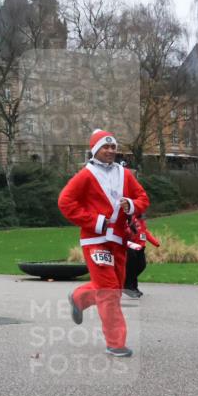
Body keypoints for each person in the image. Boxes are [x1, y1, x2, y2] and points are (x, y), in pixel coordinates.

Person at [58, 129, 149, 358]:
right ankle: (116, 343)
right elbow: (65, 202)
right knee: (109, 291)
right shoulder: (85, 176)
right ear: (95, 150)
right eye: (105, 147)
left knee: (114, 288)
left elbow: (143, 199)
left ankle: (80, 297)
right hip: (95, 240)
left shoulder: (125, 174)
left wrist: (131, 204)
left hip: (118, 241)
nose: (110, 151)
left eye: (112, 147)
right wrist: (95, 221)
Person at [123, 213, 160, 298]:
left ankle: (133, 286)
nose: (144, 216)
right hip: (132, 246)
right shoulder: (132, 219)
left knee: (141, 266)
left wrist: (155, 242)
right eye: (142, 214)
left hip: (141, 248)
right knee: (133, 267)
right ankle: (129, 286)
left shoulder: (142, 222)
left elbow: (145, 232)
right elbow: (127, 230)